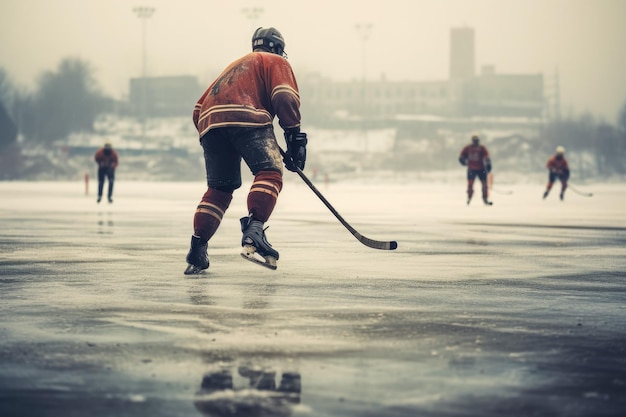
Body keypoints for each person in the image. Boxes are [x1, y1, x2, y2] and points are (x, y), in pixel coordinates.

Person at [184, 27, 307, 274]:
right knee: (270, 172)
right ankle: (255, 230)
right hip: (248, 116)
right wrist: (295, 138)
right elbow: (284, 97)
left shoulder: (233, 67)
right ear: (278, 48)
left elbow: (198, 108)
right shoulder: (274, 61)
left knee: (219, 188)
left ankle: (197, 249)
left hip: (210, 125)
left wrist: (218, 133)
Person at [458, 134, 492, 205]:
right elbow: (461, 157)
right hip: (471, 169)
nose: (476, 142)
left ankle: (485, 198)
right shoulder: (468, 148)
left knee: (484, 185)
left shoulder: (482, 148)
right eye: (474, 141)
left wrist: (488, 165)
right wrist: (463, 161)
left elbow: (487, 157)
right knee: (470, 185)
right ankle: (469, 197)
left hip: (481, 169)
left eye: (477, 141)